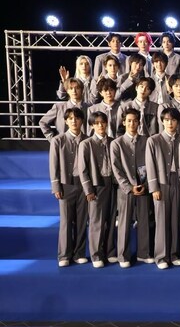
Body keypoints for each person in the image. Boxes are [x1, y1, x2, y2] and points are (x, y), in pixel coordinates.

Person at [111, 108, 153, 268]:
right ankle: (123, 256)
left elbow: (151, 164)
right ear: (123, 122)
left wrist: (146, 185)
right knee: (124, 222)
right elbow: (116, 169)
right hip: (125, 190)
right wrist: (128, 187)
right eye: (129, 121)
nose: (132, 123)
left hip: (144, 187)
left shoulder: (147, 141)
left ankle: (144, 253)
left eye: (135, 121)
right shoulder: (116, 143)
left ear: (139, 122)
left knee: (144, 220)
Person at [146, 107, 180, 269]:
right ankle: (161, 256)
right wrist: (154, 187)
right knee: (162, 220)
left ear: (178, 122)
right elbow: (150, 166)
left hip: (178, 182)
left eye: (173, 120)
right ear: (162, 121)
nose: (170, 123)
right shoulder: (153, 140)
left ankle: (174, 254)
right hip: (161, 183)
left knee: (176, 219)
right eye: (167, 120)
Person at [49, 108, 89, 267]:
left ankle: (79, 253)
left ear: (82, 121)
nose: (74, 121)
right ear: (65, 121)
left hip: (84, 185)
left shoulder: (88, 140)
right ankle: (64, 255)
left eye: (77, 118)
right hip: (66, 184)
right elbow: (53, 165)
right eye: (70, 118)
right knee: (66, 221)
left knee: (82, 220)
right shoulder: (58, 140)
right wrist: (56, 186)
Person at [78, 111, 116, 268]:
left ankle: (110, 251)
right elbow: (82, 170)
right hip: (96, 185)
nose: (100, 125)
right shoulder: (86, 144)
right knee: (96, 221)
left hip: (112, 184)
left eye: (103, 122)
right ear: (92, 126)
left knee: (111, 219)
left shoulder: (113, 141)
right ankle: (96, 254)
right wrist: (88, 190)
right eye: (97, 123)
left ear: (107, 123)